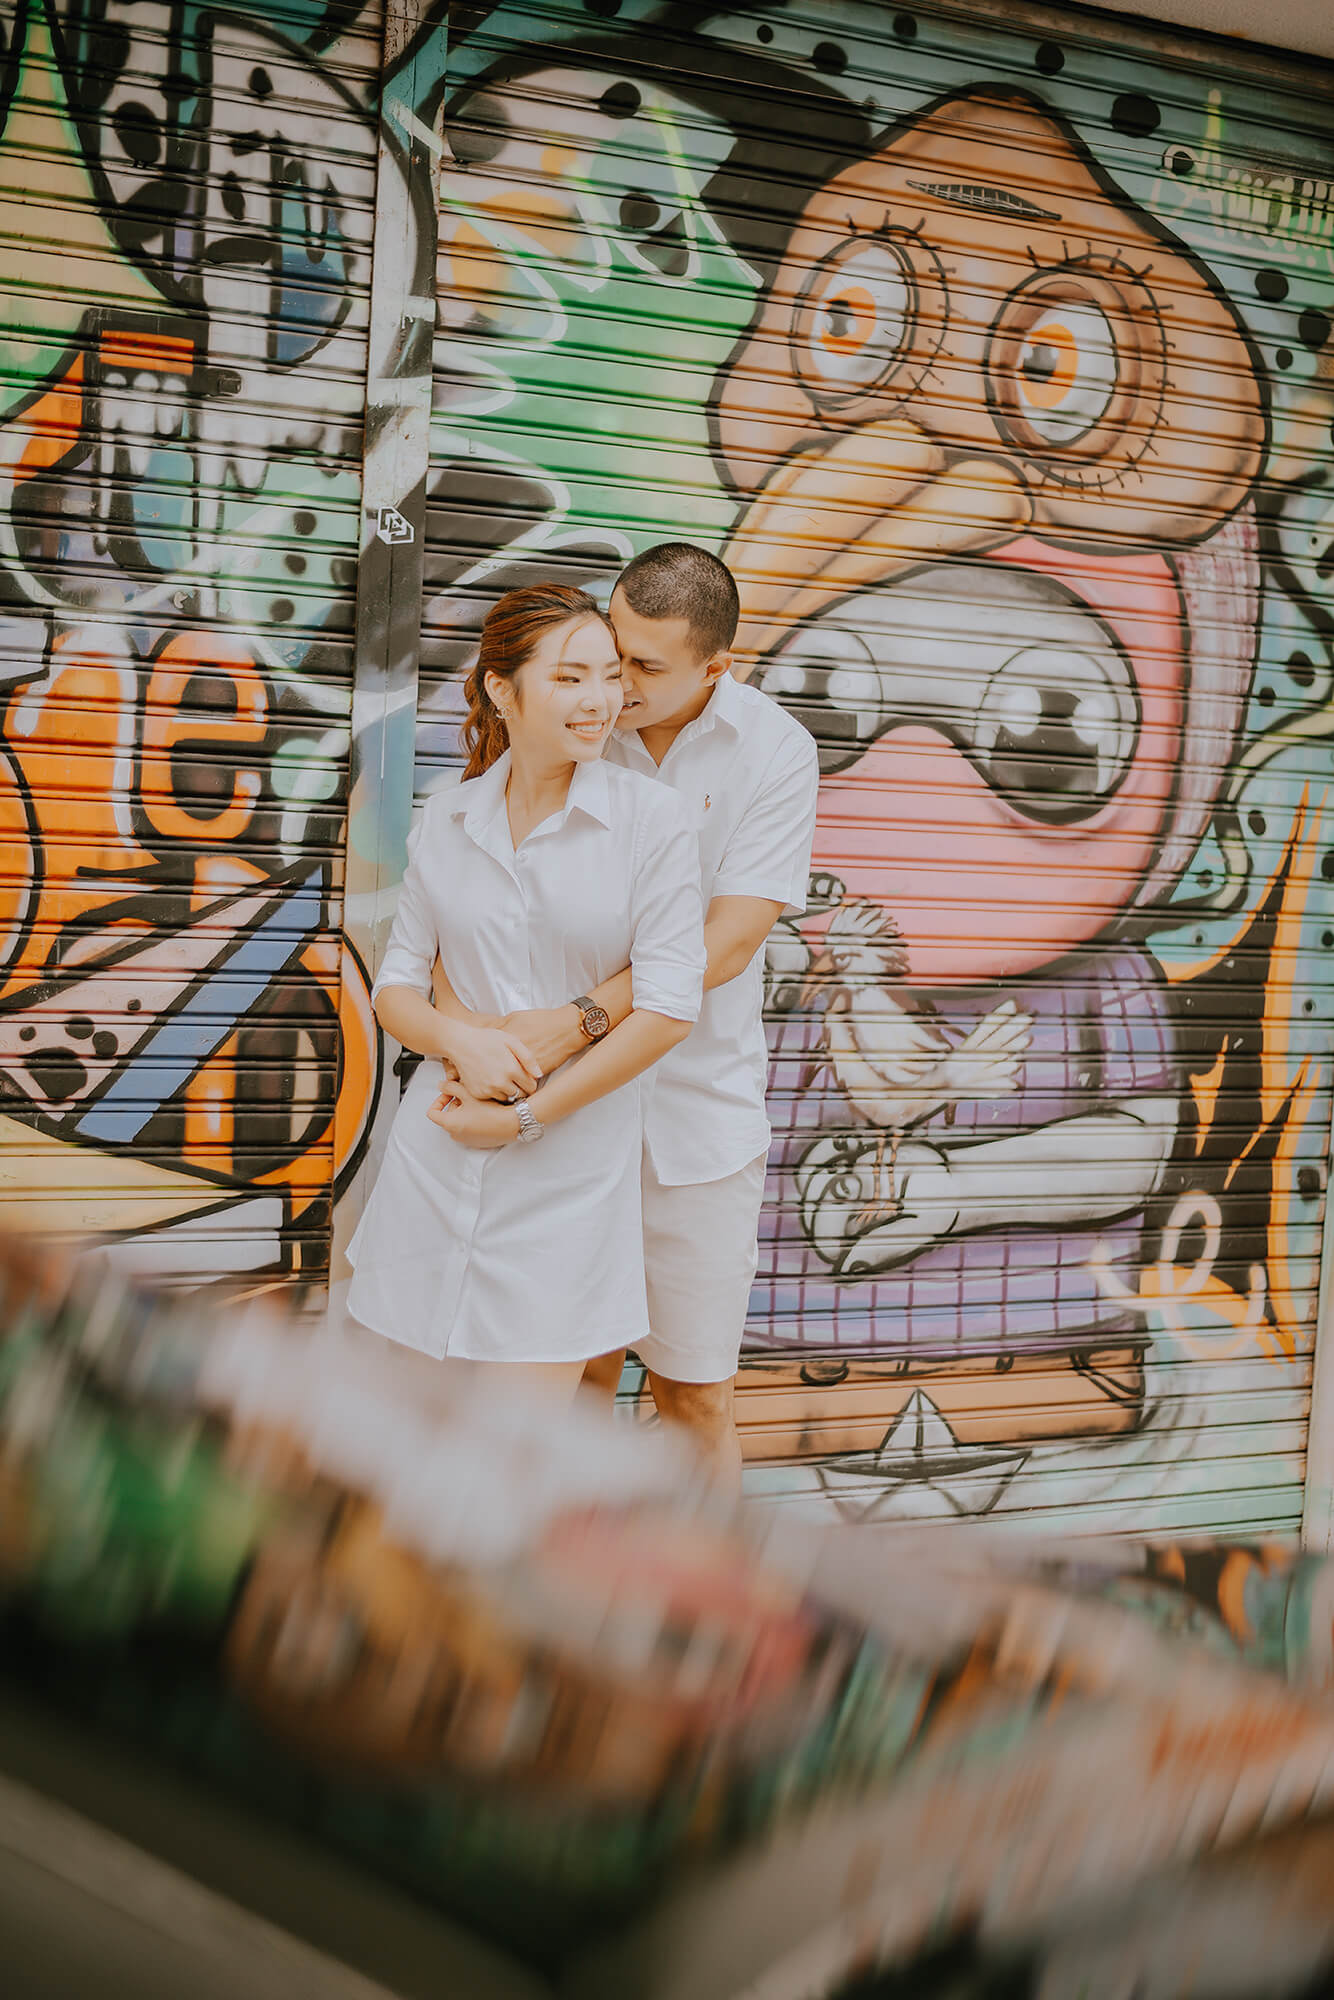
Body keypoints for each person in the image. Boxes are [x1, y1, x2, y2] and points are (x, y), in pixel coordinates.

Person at [433, 546, 821, 1482]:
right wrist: (475, 1045)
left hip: (693, 1127)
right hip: (552, 1120)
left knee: (694, 1397)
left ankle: (715, 1620)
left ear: (715, 669)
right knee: (568, 1384)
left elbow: (725, 946)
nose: (616, 684)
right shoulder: (570, 716)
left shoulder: (774, 750)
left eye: (646, 669)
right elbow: (470, 901)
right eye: (612, 650)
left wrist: (571, 1024)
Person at [345, 583, 705, 1399]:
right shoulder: (450, 816)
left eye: (611, 677)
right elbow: (397, 986)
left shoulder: (653, 820)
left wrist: (524, 1116)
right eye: (571, 678)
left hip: (566, 1184)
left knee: (516, 1466)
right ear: (501, 689)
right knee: (404, 1455)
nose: (601, 700)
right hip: (433, 1162)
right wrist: (460, 1041)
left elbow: (667, 1010)